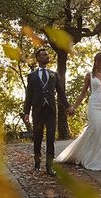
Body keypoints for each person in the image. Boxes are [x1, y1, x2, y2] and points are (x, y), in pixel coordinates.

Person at [55, 52, 101, 171]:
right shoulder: (89, 75)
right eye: (99, 60)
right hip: (94, 105)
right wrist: (74, 107)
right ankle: (90, 157)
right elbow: (83, 93)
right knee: (95, 129)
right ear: (95, 61)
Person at [23, 48, 73, 176]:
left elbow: (61, 92)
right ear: (38, 58)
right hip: (38, 111)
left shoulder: (53, 74)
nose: (47, 56)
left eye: (47, 54)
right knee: (38, 138)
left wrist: (67, 106)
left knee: (51, 138)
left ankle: (49, 166)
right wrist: (26, 113)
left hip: (51, 110)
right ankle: (37, 164)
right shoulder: (32, 76)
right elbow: (28, 95)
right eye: (44, 55)